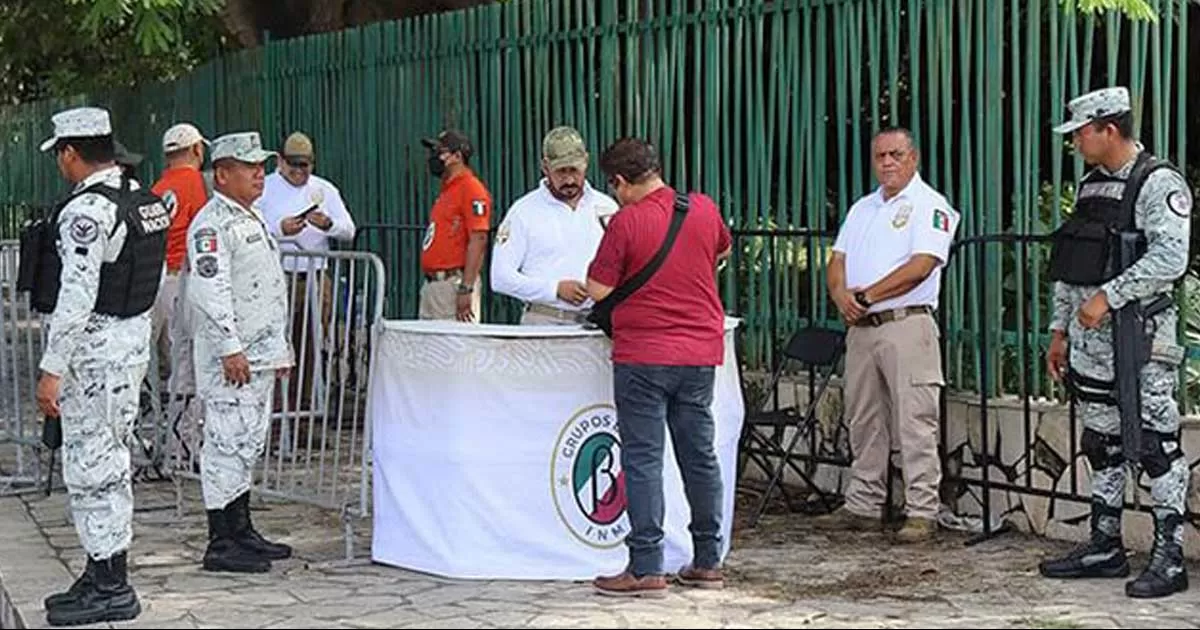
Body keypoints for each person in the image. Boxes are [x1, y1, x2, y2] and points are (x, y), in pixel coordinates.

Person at [1038, 86, 1193, 599]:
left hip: (1141, 338)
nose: (1076, 142)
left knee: (1155, 443)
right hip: (1090, 343)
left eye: (1081, 132)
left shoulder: (1157, 182)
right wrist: (1060, 329)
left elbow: (1169, 260)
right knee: (1101, 442)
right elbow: (1071, 264)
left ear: (1109, 128)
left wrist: (1109, 296)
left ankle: (1169, 556)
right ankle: (1105, 544)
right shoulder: (1090, 184)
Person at [33, 106, 170, 626]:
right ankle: (102, 569)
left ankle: (110, 585)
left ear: (70, 153)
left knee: (93, 468)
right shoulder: (140, 199)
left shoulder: (86, 211)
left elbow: (76, 295)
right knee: (108, 465)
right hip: (126, 348)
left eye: (60, 156)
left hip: (94, 358)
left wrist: (52, 368)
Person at [586, 137, 732, 598]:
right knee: (699, 455)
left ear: (621, 182)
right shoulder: (703, 209)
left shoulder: (625, 222)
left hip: (643, 355)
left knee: (644, 457)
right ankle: (708, 559)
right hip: (699, 355)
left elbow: (597, 287)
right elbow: (722, 252)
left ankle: (646, 566)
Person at [817, 127, 959, 544]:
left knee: (915, 419)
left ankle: (921, 509)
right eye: (880, 156)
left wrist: (866, 295)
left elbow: (923, 263)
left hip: (905, 322)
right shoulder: (863, 208)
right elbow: (837, 259)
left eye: (896, 154)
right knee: (863, 418)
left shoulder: (930, 205)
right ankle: (863, 503)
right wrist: (842, 295)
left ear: (913, 158)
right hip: (863, 326)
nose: (887, 163)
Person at [182, 131, 294, 574]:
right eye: (249, 168)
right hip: (231, 359)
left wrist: (277, 350)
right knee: (225, 445)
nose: (259, 175)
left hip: (258, 355)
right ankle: (221, 539)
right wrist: (231, 347)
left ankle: (242, 528)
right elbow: (211, 292)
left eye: (261, 167)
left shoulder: (250, 217)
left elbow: (264, 291)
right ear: (222, 174)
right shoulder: (212, 224)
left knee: (247, 443)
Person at [258, 131, 356, 410]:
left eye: (306, 165)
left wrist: (328, 225)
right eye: (294, 165)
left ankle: (304, 413)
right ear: (280, 161)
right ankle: (276, 415)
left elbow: (349, 229)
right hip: (278, 276)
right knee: (275, 346)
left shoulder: (324, 189)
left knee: (310, 346)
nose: (300, 171)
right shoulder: (265, 188)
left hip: (314, 275)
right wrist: (280, 229)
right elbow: (249, 226)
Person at [490, 126, 618, 325]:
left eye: (574, 170)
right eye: (560, 171)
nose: (568, 179)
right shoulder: (523, 211)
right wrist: (554, 289)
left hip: (597, 323)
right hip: (544, 320)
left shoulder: (607, 207)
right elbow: (500, 277)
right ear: (545, 167)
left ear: (586, 162)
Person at [150, 123, 211, 384]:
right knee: (188, 354)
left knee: (168, 352)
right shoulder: (197, 184)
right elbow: (202, 228)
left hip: (157, 275)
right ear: (197, 149)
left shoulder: (157, 188)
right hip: (184, 275)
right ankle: (187, 421)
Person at [418, 129, 493, 322]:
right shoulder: (449, 189)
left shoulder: (471, 188)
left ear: (457, 156)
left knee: (455, 349)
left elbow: (479, 238)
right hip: (434, 285)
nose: (434, 157)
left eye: (440, 152)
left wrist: (466, 288)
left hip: (453, 283)